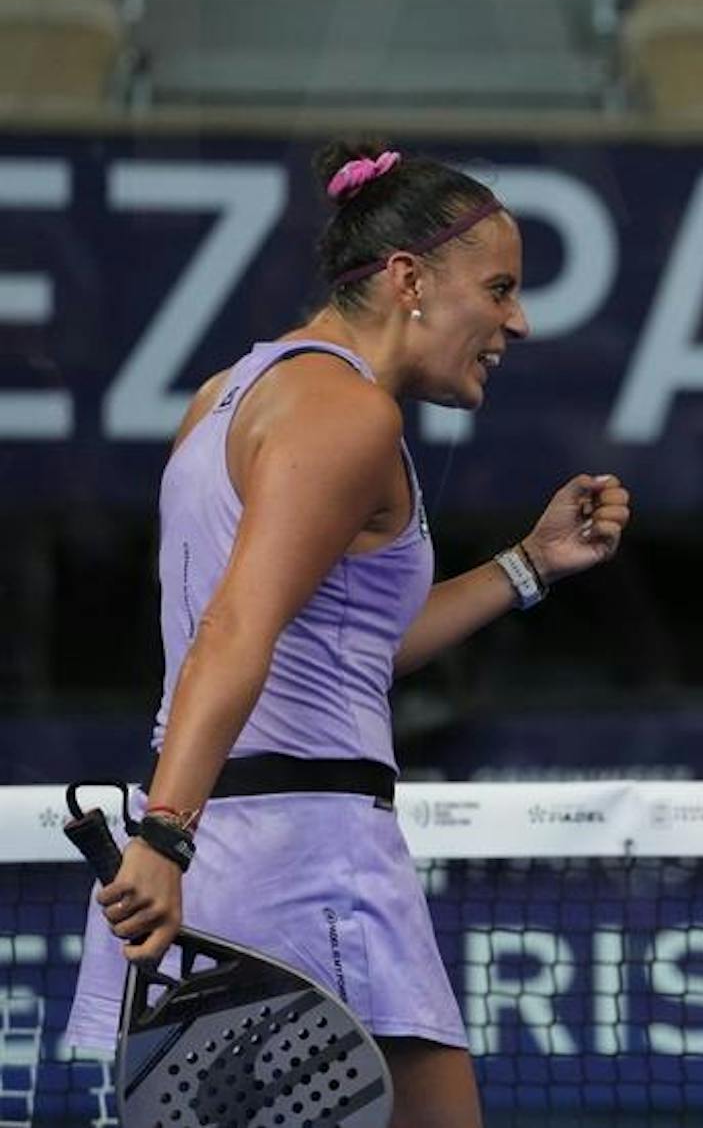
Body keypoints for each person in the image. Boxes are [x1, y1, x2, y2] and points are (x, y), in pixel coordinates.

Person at [64, 141, 633, 1128]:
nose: (518, 320)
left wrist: (529, 564)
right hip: (301, 865)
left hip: (228, 847)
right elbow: (234, 623)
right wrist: (162, 832)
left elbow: (331, 648)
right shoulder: (345, 414)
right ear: (409, 278)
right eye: (497, 288)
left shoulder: (231, 392)